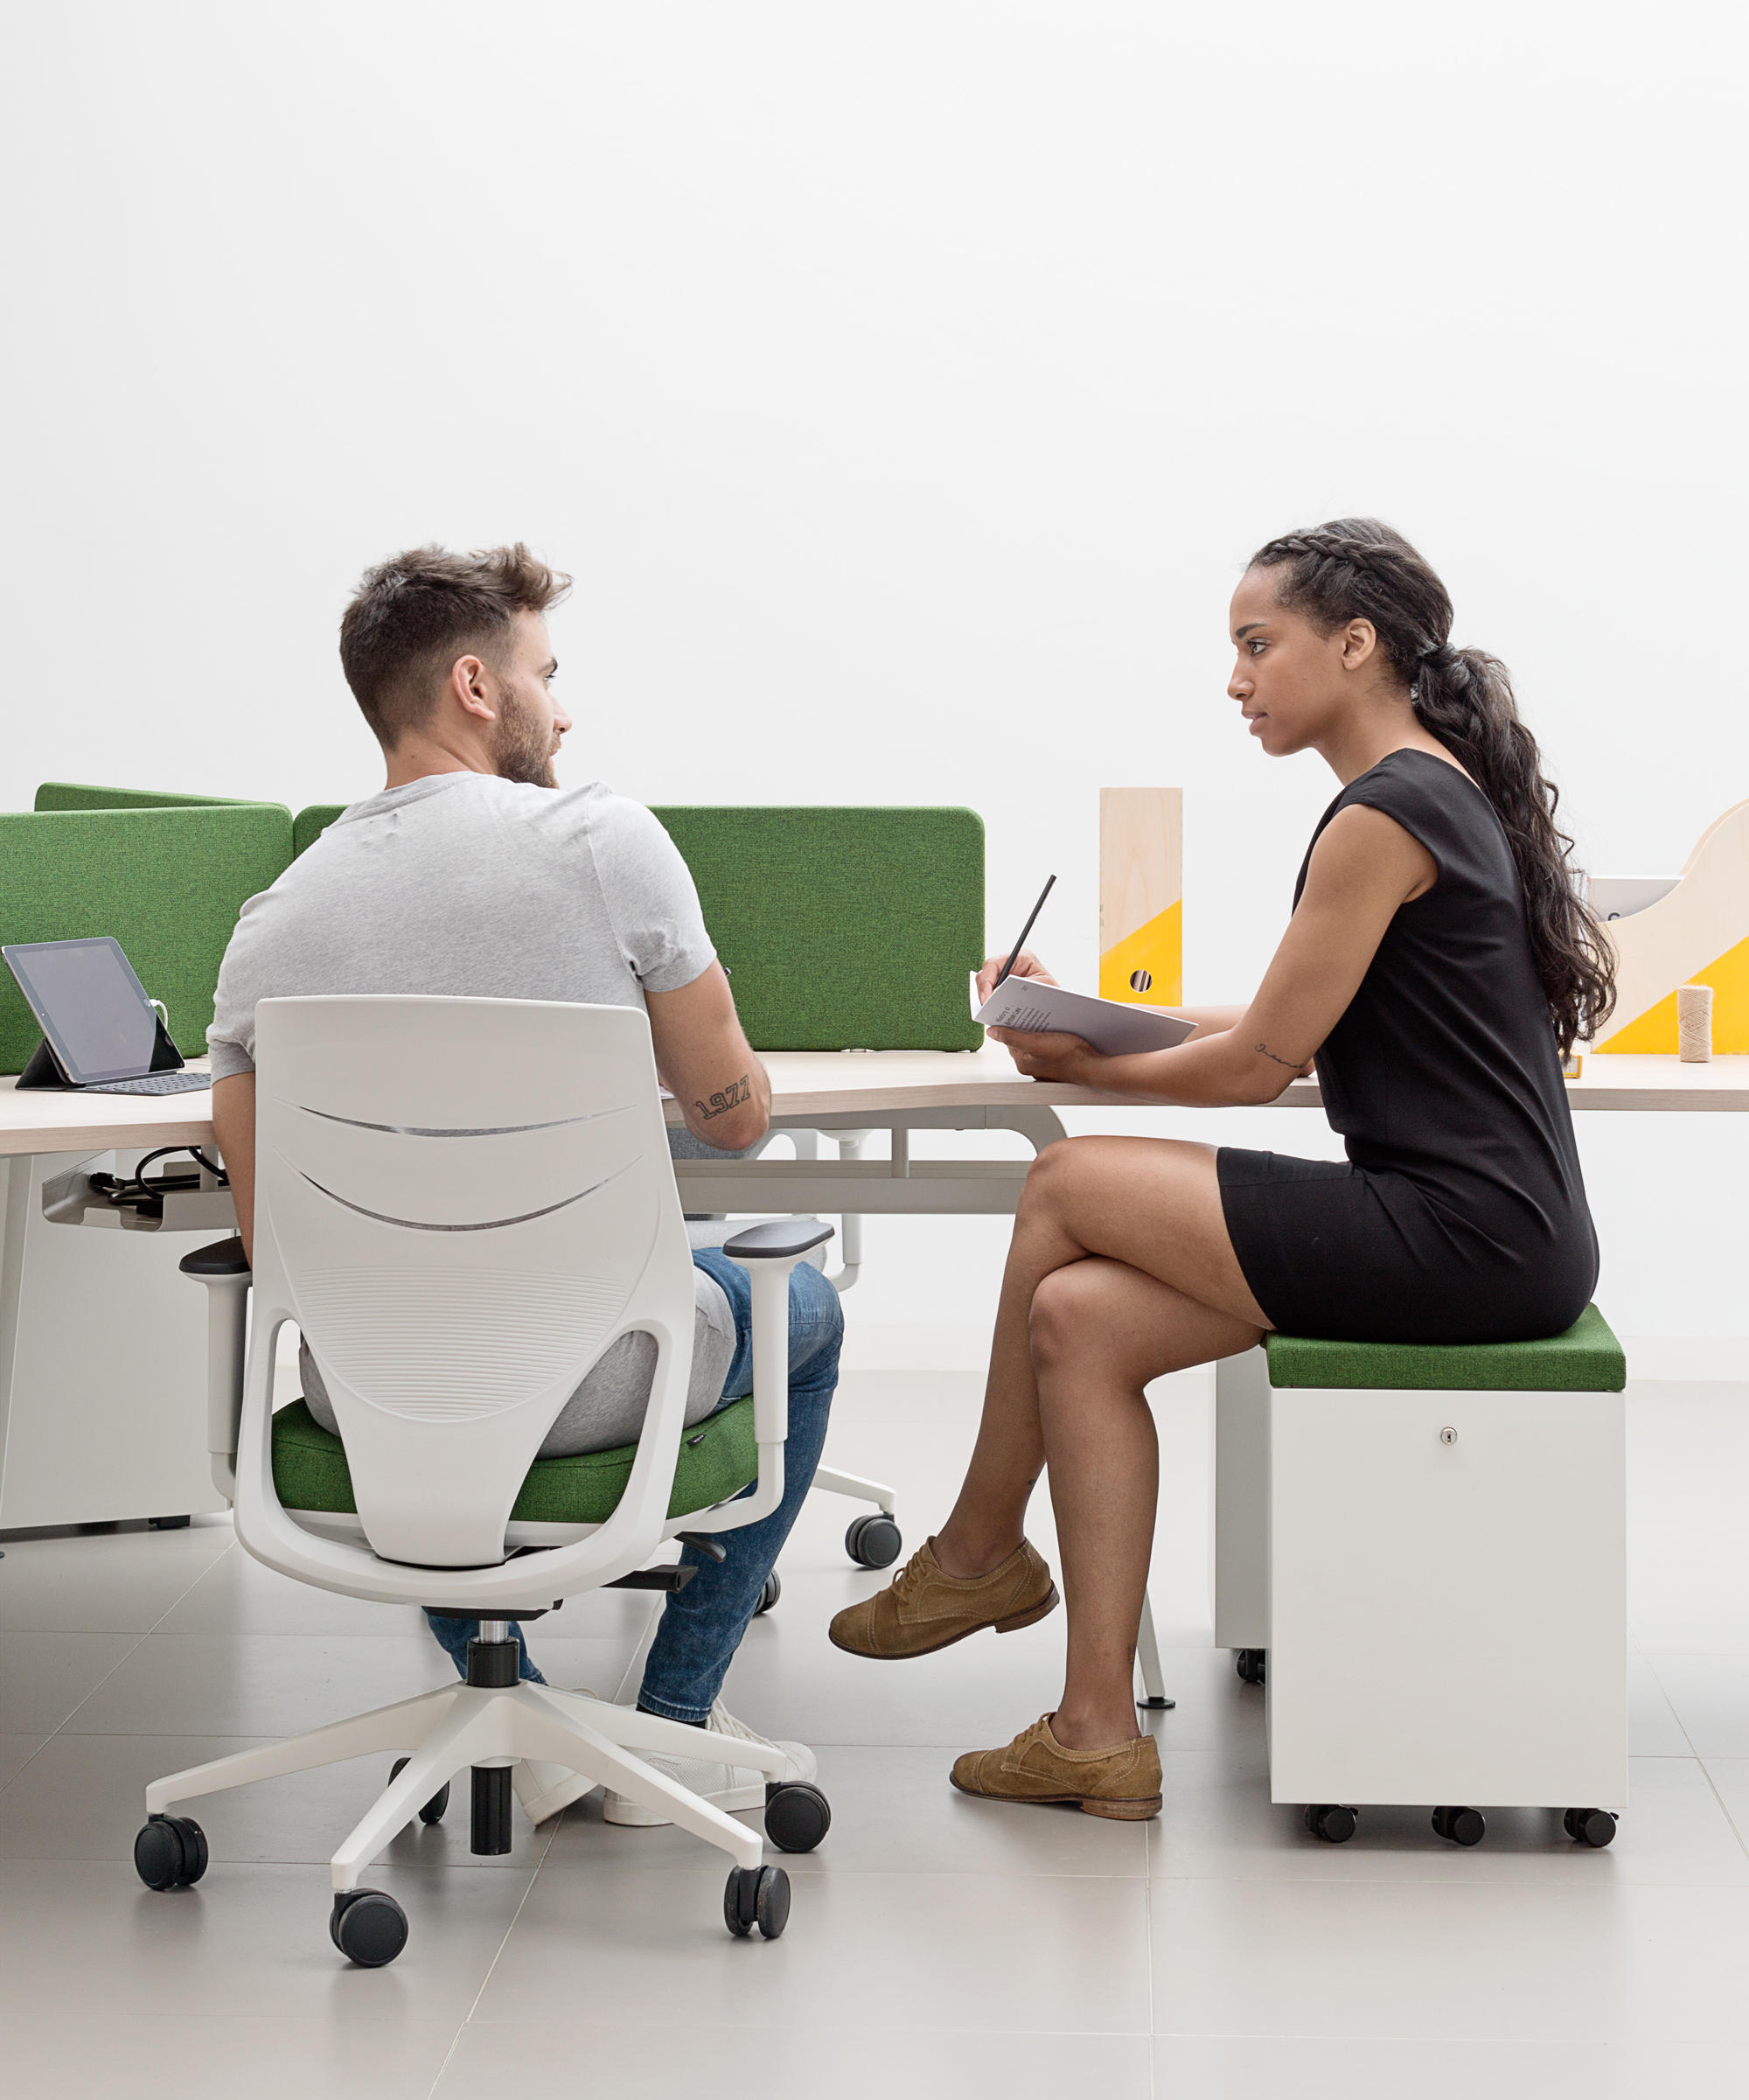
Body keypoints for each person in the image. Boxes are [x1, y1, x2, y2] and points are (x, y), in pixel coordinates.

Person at [830, 517, 1613, 1823]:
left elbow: (1258, 1065)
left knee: (1065, 1183)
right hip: (1486, 1233)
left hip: (1464, 1237)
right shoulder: (1428, 792)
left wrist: (1084, 1071)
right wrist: (1089, 1022)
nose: (1235, 680)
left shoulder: (1385, 813)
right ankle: (1094, 1736)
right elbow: (1276, 1020)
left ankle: (976, 1547)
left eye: (1259, 645)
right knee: (1079, 1320)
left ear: (1355, 644)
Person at [207, 541, 840, 1828]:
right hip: (600, 1380)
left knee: (440, 1346)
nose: (564, 709)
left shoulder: (272, 924)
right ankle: (672, 1724)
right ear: (476, 684)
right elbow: (734, 1124)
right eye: (547, 675)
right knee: (806, 1311)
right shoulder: (603, 840)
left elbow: (272, 1234)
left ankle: (529, 1722)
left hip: (370, 1398)